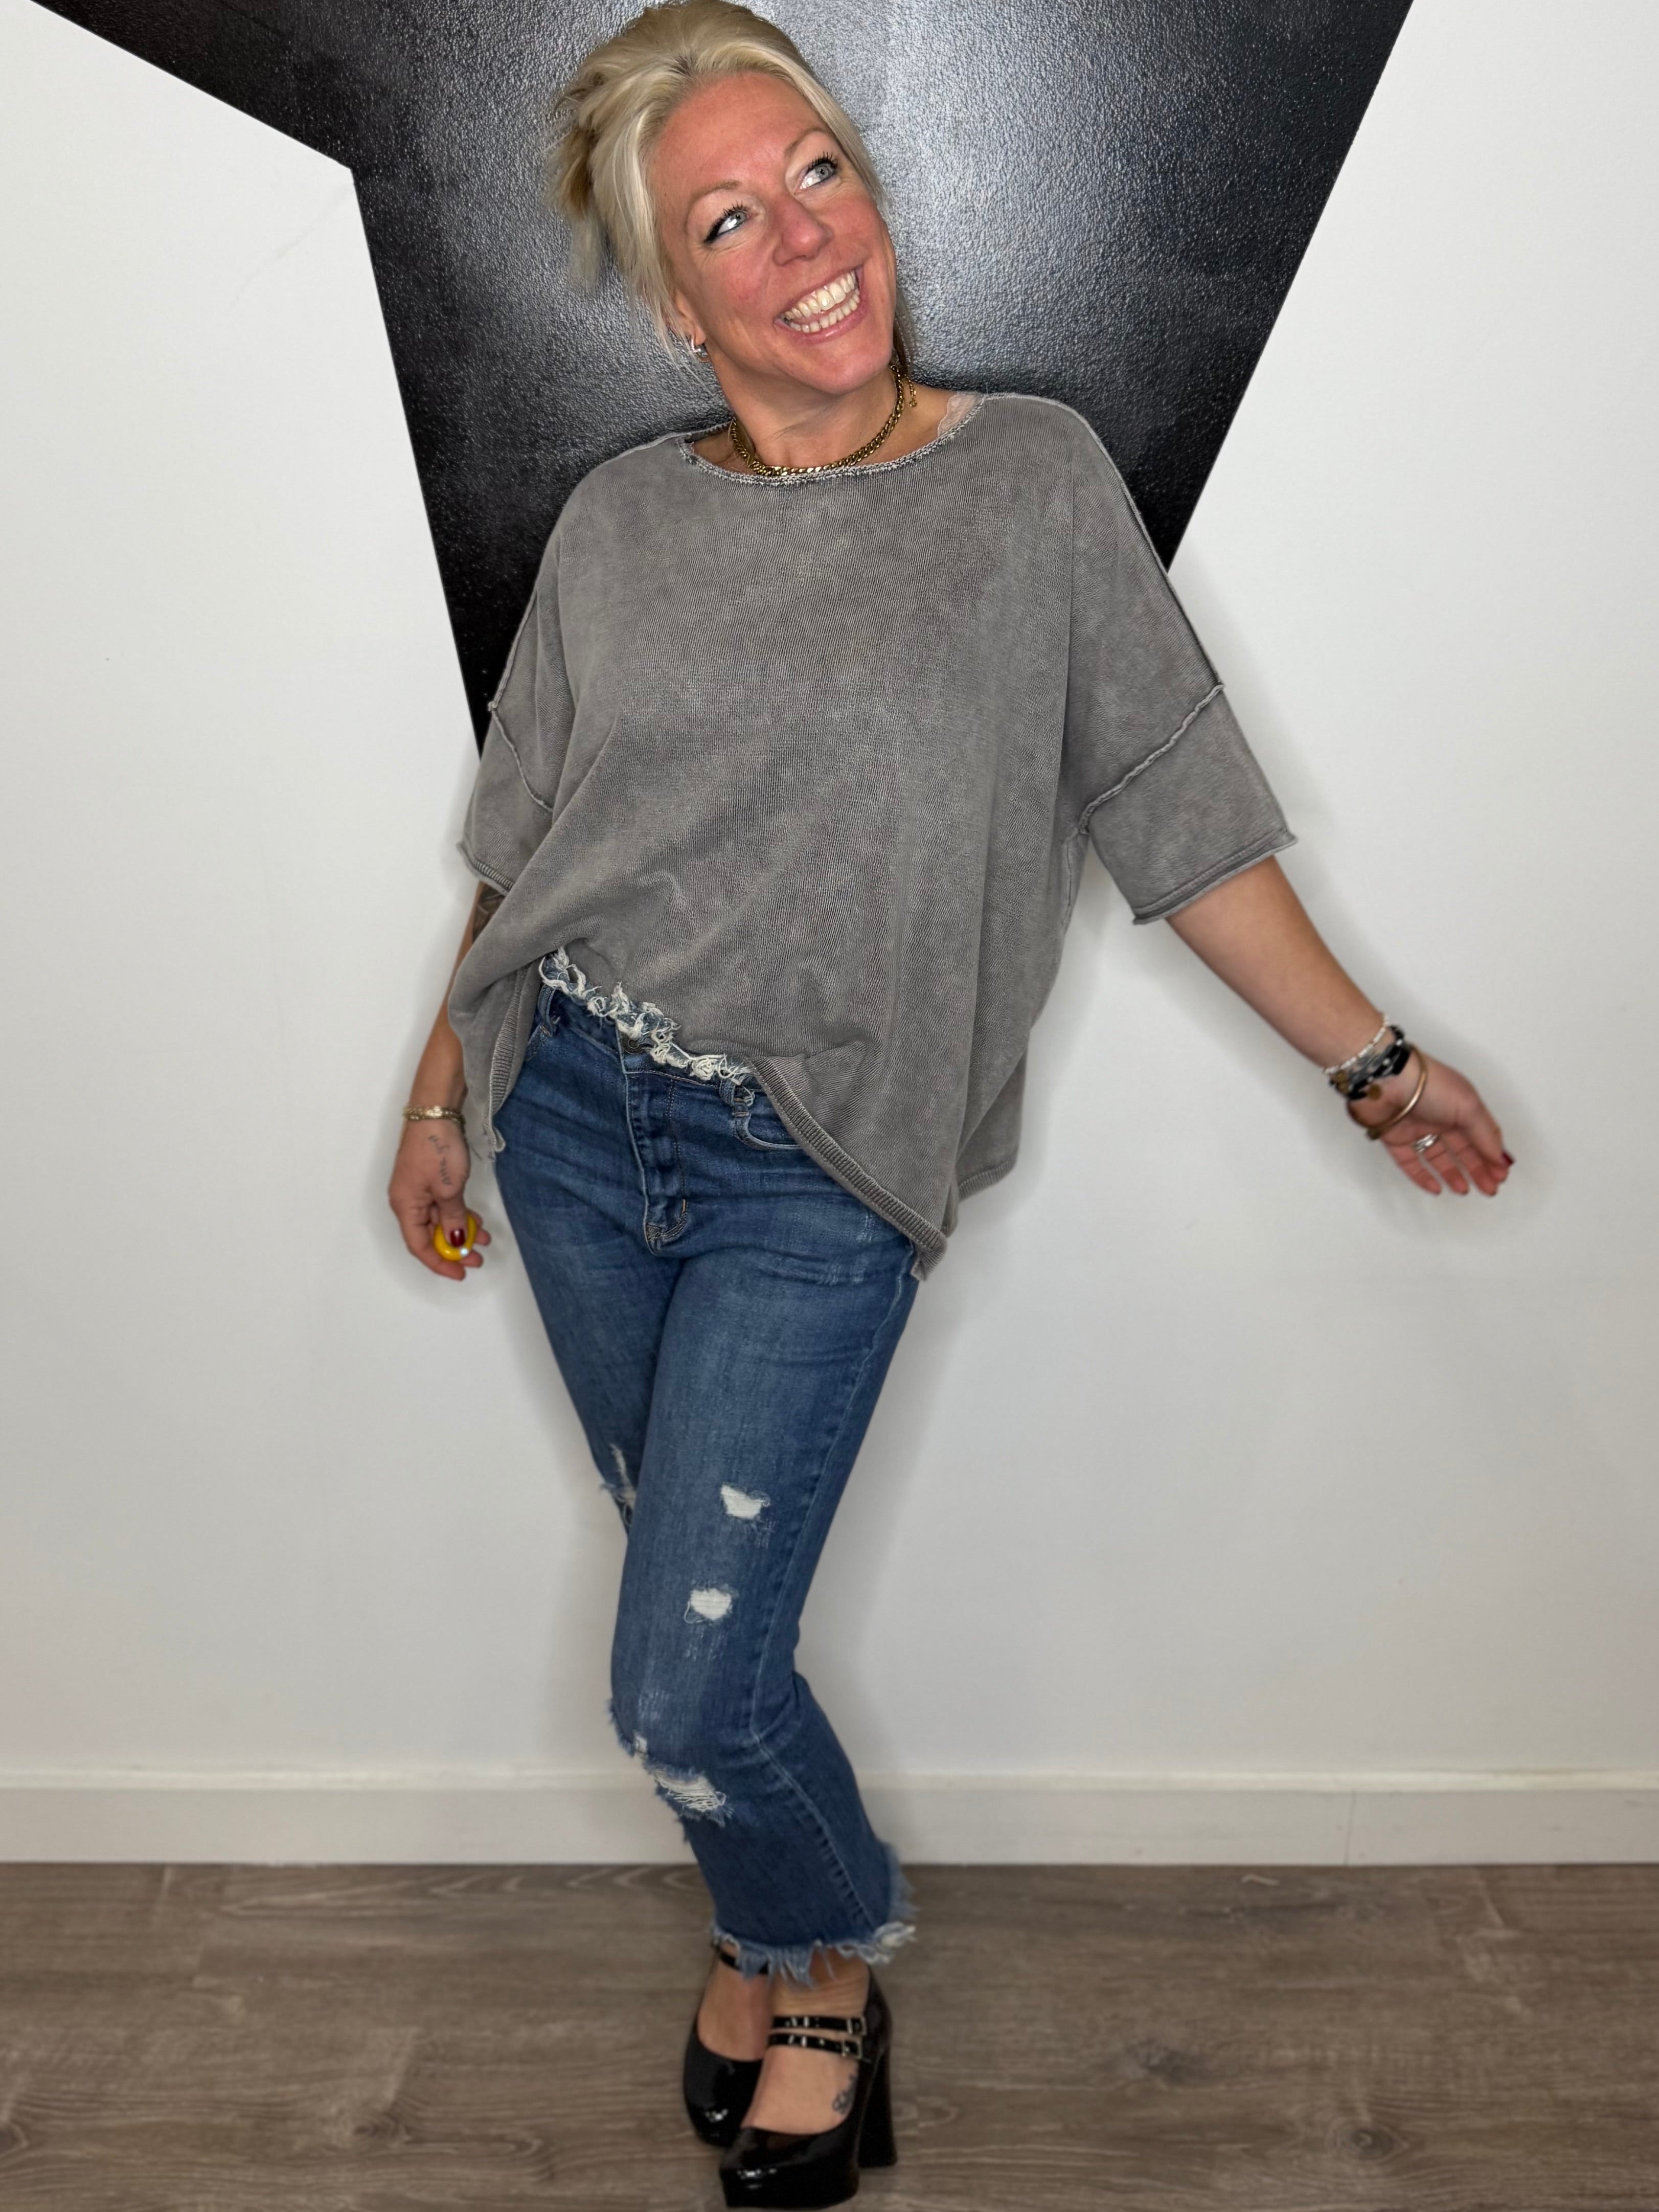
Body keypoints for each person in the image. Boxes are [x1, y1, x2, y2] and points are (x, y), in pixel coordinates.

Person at [386, 4, 1511, 2202]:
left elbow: (1173, 817)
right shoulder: (618, 528)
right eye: (732, 215)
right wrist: (437, 1097)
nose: (805, 238)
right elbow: (520, 854)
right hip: (570, 1123)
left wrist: (1368, 1063)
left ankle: (818, 1975)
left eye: (817, 172)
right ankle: (772, 1934)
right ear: (668, 287)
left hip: (818, 1164)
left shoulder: (1028, 486)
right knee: (688, 1633)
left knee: (683, 1692)